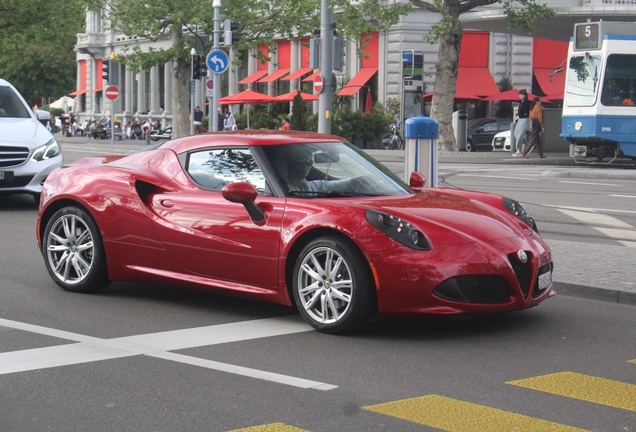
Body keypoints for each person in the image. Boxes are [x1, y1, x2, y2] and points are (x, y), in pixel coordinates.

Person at [282, 146, 365, 194]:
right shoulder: (282, 188)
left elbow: (334, 185)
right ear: (291, 164)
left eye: (309, 162)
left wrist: (355, 180)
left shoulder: (312, 186)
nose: (306, 166)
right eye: (301, 161)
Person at [512, 89, 531, 157]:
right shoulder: (521, 102)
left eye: (522, 94)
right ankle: (528, 146)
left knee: (520, 134)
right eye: (519, 94)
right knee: (516, 134)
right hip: (520, 119)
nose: (520, 96)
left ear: (525, 95)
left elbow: (528, 111)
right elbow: (521, 111)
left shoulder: (527, 102)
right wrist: (518, 113)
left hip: (525, 119)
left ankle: (519, 150)